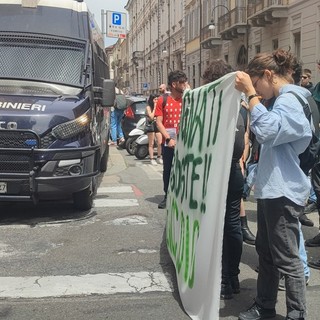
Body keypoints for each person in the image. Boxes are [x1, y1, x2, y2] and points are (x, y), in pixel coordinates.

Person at [235, 49, 312, 320]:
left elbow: (267, 132)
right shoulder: (283, 100)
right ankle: (265, 305)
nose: (256, 90)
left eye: (257, 84)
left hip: (283, 190)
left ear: (268, 75)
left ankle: (296, 314)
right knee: (267, 253)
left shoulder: (290, 100)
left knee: (287, 258)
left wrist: (251, 95)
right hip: (274, 189)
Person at [203, 59, 248, 299]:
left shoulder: (209, 105)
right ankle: (233, 276)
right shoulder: (240, 104)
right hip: (234, 169)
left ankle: (222, 280)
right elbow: (245, 139)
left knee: (217, 225)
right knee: (232, 224)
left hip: (215, 170)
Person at [155, 70, 188, 209]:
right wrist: (168, 139)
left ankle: (183, 196)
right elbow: (158, 122)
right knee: (168, 170)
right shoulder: (162, 100)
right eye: (183, 83)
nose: (185, 85)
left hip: (185, 142)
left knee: (185, 170)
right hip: (169, 143)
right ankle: (167, 195)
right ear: (174, 84)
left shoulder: (188, 99)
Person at [145, 94, 163, 165]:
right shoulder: (148, 107)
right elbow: (151, 117)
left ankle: (159, 157)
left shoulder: (159, 106)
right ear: (151, 100)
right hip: (151, 125)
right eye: (155, 99)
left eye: (157, 99)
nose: (156, 101)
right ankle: (151, 158)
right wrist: (155, 107)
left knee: (160, 142)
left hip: (157, 125)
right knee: (151, 143)